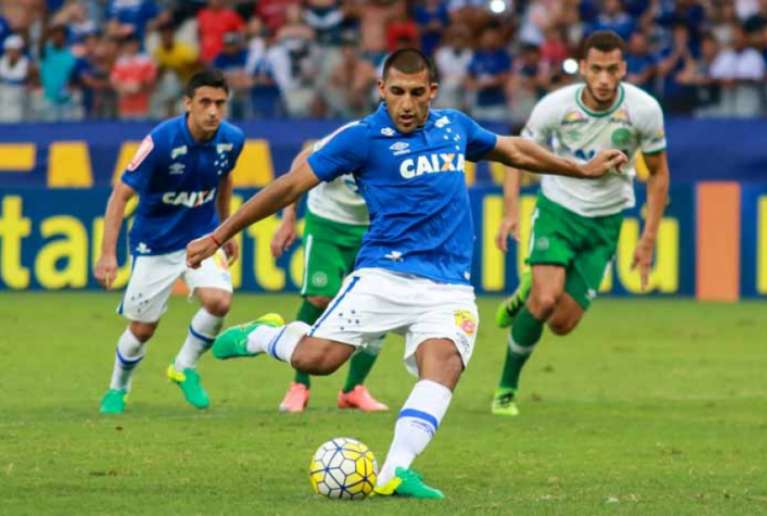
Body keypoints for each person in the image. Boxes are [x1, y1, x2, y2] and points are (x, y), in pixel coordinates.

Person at [186, 48, 625, 499]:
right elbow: (290, 185)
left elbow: (512, 149)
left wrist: (582, 169)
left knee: (444, 367)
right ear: (382, 90)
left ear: (432, 91)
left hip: (449, 285)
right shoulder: (361, 138)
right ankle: (264, 335)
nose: (408, 104)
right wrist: (219, 236)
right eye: (397, 92)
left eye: (417, 93)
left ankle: (395, 470)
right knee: (316, 361)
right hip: (383, 276)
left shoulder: (454, 126)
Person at [492, 30, 671, 416]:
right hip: (558, 209)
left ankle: (527, 287)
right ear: (583, 69)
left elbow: (658, 174)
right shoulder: (555, 106)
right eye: (597, 70)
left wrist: (648, 236)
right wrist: (510, 212)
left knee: (561, 323)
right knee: (545, 300)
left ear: (623, 68)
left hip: (605, 222)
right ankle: (506, 389)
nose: (605, 79)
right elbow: (515, 155)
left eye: (612, 70)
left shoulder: (644, 110)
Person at [95, 70, 245, 415]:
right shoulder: (162, 140)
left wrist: (225, 230)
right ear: (187, 103)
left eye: (220, 104)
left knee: (220, 302)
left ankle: (184, 366)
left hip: (201, 238)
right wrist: (107, 254)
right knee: (143, 328)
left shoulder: (232, 139)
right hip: (155, 243)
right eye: (205, 102)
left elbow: (224, 179)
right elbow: (121, 195)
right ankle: (118, 388)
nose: (213, 111)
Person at [269, 146, 387, 414]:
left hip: (373, 229)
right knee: (319, 298)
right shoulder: (352, 137)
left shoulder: (404, 148)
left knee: (382, 301)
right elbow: (302, 159)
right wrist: (288, 218)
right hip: (328, 224)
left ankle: (353, 389)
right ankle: (299, 385)